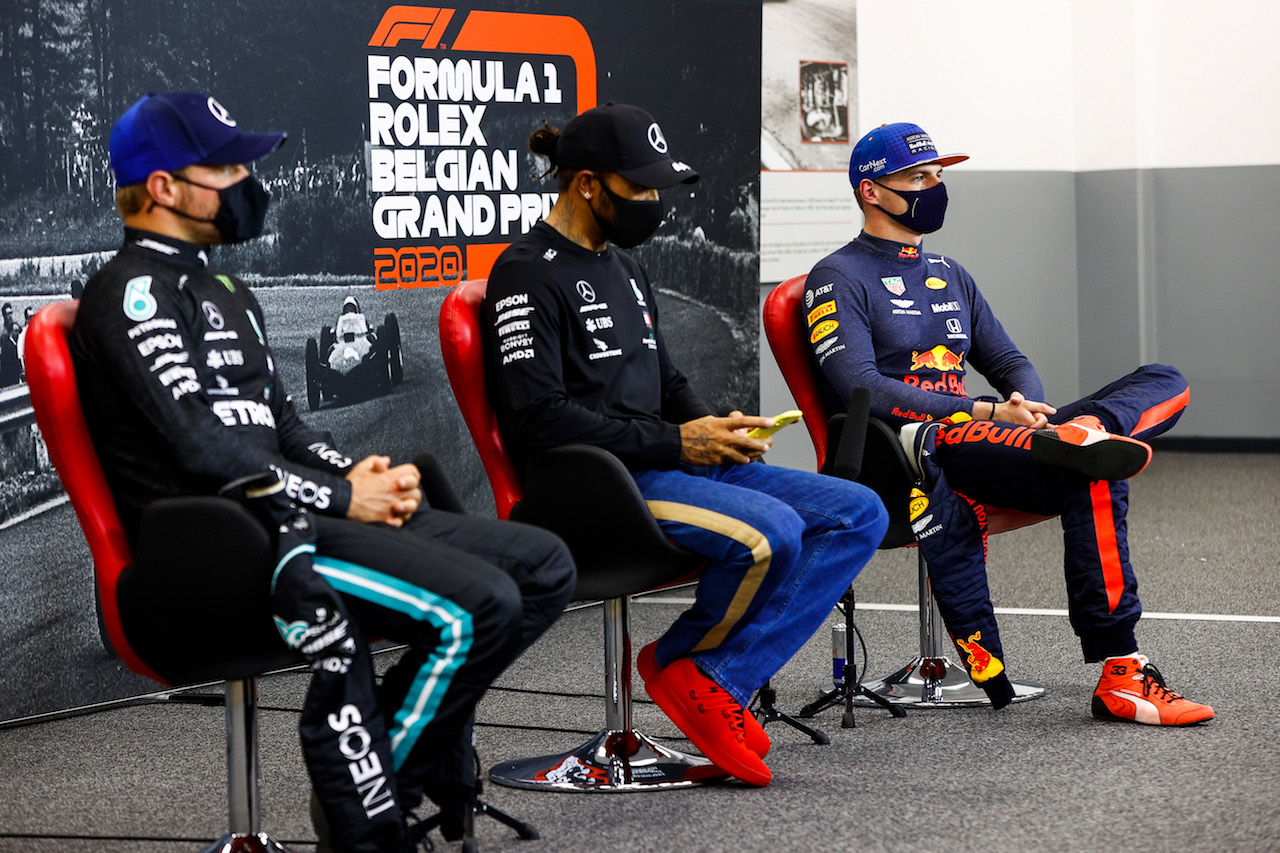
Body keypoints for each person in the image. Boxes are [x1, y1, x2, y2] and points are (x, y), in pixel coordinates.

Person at [70, 91, 576, 852]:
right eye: (228, 164)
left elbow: (288, 426)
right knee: (481, 605)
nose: (248, 180)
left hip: (294, 512)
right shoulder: (130, 292)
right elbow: (199, 447)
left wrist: (361, 471)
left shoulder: (230, 291)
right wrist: (347, 495)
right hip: (225, 544)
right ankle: (365, 802)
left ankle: (382, 760)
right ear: (166, 187)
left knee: (543, 563)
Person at [483, 103, 889, 787]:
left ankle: (714, 675)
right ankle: (688, 665)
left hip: (670, 464)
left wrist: (718, 429)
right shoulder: (525, 271)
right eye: (638, 188)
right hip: (603, 487)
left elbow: (665, 376)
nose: (651, 202)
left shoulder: (626, 267)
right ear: (586, 183)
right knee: (772, 533)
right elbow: (538, 419)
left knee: (860, 512)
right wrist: (679, 440)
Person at [806, 121, 1212, 725]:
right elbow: (861, 388)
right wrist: (989, 411)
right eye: (919, 177)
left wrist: (1029, 406)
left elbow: (1007, 360)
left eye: (938, 177)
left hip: (999, 434)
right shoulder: (837, 277)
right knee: (1094, 475)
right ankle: (1123, 668)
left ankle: (1087, 431)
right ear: (871, 190)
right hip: (924, 448)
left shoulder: (951, 272)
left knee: (1163, 379)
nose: (935, 187)